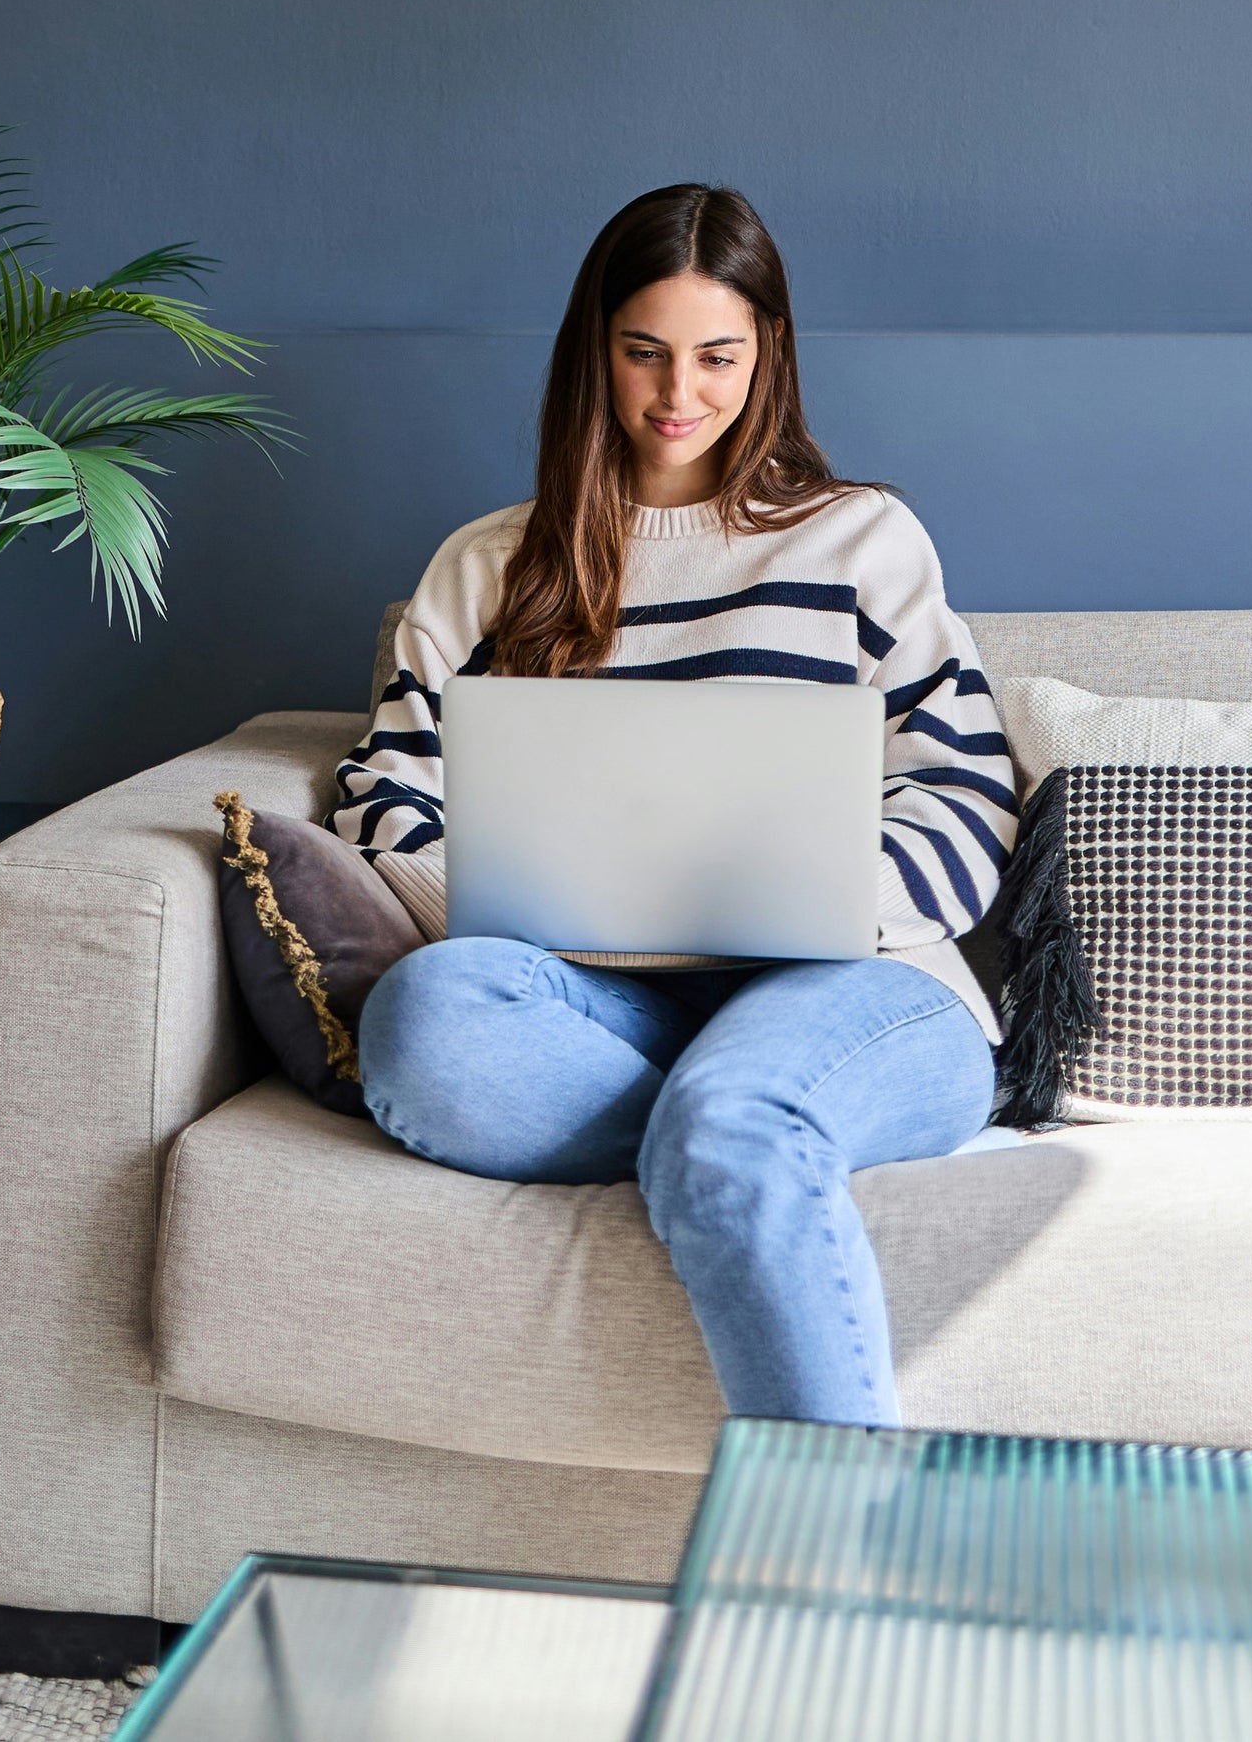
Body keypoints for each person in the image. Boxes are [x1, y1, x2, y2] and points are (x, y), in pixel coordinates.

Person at [336, 184, 1017, 1426]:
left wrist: (829, 900)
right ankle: (731, 1141)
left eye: (717, 357)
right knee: (426, 1022)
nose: (675, 396)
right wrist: (488, 900)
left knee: (742, 1107)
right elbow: (386, 793)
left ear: (769, 357)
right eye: (642, 353)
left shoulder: (859, 540)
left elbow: (966, 787)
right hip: (597, 999)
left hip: (849, 991)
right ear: (593, 352)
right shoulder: (487, 564)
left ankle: (826, 1567)